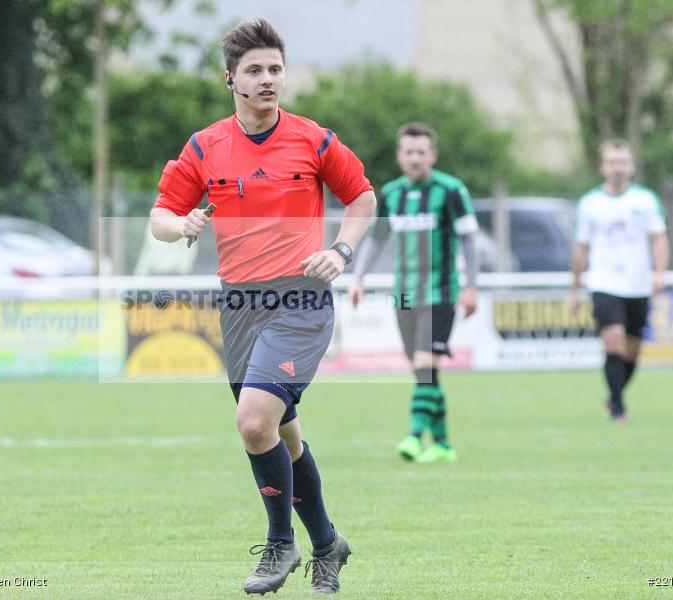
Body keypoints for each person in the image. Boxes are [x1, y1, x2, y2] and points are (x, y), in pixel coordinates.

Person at [148, 19, 376, 595]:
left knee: (253, 422)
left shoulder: (312, 138)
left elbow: (363, 197)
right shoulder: (204, 146)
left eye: (275, 69)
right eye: (255, 70)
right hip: (240, 307)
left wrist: (342, 250)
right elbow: (159, 220)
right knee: (283, 438)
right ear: (231, 79)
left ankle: (281, 544)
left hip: (300, 301)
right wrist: (183, 223)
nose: (268, 79)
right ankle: (328, 543)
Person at [350, 122, 479, 463]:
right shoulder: (391, 194)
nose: (414, 158)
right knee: (424, 370)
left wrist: (471, 286)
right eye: (408, 152)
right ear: (399, 155)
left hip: (441, 293)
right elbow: (375, 239)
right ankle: (443, 444)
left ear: (432, 155)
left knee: (425, 366)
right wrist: (358, 278)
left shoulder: (451, 191)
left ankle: (412, 436)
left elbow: (469, 239)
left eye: (421, 152)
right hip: (403, 295)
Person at [569, 139, 669, 421]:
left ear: (631, 167)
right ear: (602, 167)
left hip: (637, 284)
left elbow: (659, 239)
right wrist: (575, 288)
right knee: (613, 341)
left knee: (633, 350)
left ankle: (613, 397)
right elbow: (580, 248)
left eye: (623, 162)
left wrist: (659, 272)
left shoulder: (645, 200)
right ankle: (619, 409)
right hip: (604, 282)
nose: (618, 168)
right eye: (612, 162)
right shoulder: (590, 204)